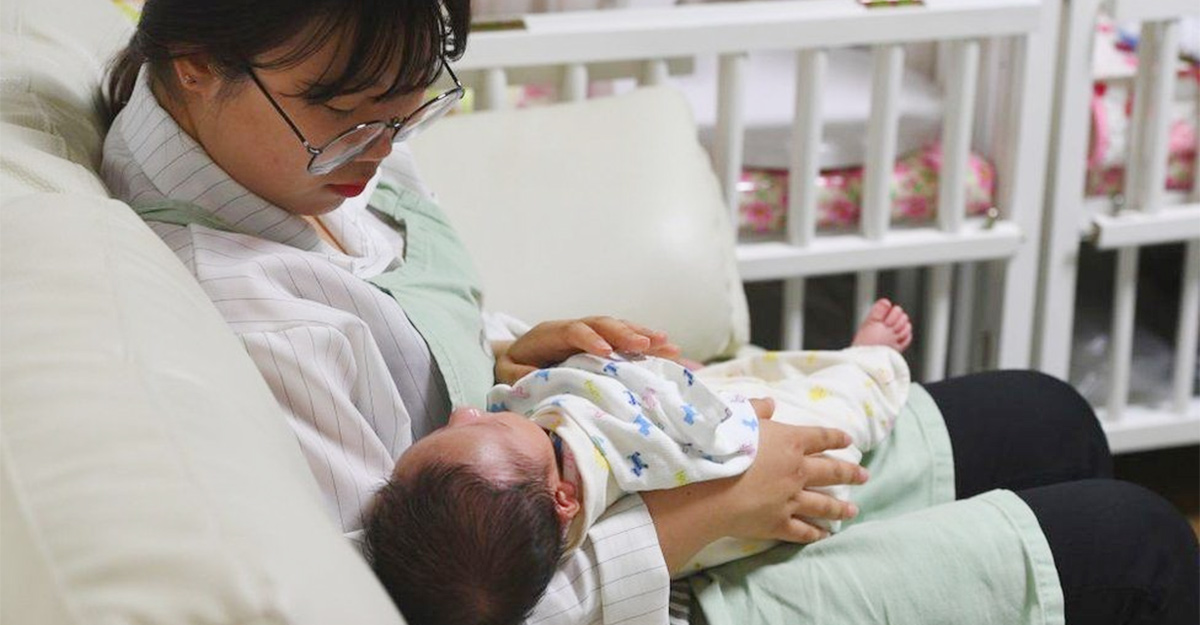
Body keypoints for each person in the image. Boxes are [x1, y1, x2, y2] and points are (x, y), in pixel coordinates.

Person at [100, 1, 1198, 624]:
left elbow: (404, 337)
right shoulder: (254, 320)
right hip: (621, 580)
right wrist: (706, 515)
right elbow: (433, 600)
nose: (383, 149)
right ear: (194, 68)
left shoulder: (297, 146)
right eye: (352, 121)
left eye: (411, 108)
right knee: (1138, 544)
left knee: (1049, 418)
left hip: (619, 472)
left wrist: (503, 347)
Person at [366, 301, 912, 624]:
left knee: (757, 372)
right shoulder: (605, 464)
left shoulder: (524, 500)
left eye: (451, 427)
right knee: (840, 404)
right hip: (786, 463)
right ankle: (874, 360)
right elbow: (704, 439)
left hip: (726, 438)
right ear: (564, 498)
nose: (464, 411)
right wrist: (691, 394)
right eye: (486, 427)